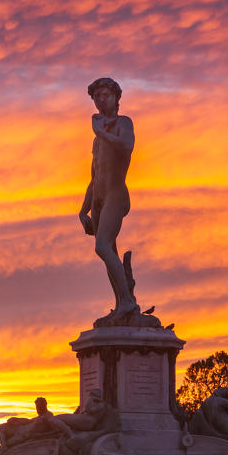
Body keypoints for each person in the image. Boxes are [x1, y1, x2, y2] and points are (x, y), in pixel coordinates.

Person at [79, 78, 139, 324]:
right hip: (99, 198)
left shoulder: (122, 124)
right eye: (97, 96)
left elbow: (127, 146)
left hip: (116, 194)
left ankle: (127, 302)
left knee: (102, 246)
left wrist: (101, 132)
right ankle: (121, 304)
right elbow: (93, 177)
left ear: (116, 98)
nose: (101, 99)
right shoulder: (97, 139)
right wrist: (83, 210)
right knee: (108, 251)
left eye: (105, 94)